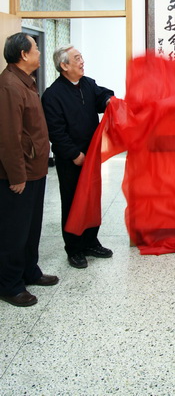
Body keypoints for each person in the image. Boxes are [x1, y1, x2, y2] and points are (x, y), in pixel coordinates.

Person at [42, 45, 114, 268]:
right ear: (64, 65)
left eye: (81, 57)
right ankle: (74, 248)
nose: (82, 61)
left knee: (91, 199)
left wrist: (108, 100)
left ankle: (91, 242)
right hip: (70, 160)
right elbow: (56, 132)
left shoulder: (87, 84)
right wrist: (74, 154)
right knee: (73, 202)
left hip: (91, 155)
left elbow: (102, 96)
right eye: (77, 58)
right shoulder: (52, 95)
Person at [0, 33, 59, 307]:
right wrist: (17, 176)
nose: (39, 52)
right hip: (19, 174)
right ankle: (10, 285)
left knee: (31, 226)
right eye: (35, 48)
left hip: (35, 167)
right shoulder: (9, 85)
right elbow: (8, 137)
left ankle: (29, 271)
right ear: (23, 54)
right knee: (14, 231)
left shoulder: (26, 81)